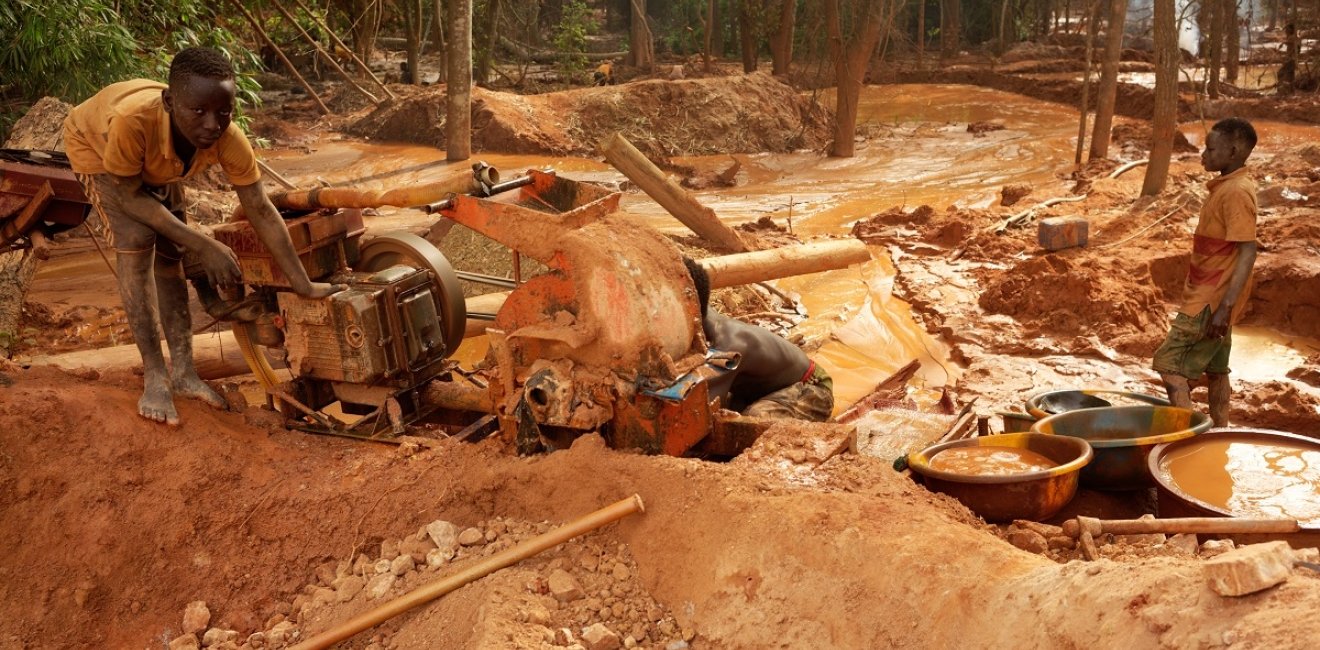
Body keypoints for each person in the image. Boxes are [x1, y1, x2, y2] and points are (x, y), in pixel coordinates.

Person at [64, 47, 342, 426]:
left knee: (171, 255)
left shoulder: (228, 139)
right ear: (169, 101)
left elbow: (260, 208)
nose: (213, 124)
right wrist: (204, 243)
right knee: (138, 243)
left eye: (223, 113)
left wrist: (302, 284)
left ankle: (184, 372)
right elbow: (130, 196)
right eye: (199, 112)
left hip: (160, 166)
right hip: (98, 149)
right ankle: (156, 376)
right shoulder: (133, 122)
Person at [1152, 117, 1259, 427]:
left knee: (1169, 365)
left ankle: (1187, 442)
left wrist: (1224, 308)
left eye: (1211, 149)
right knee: (1216, 369)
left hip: (1209, 301)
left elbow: (1248, 251)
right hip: (1214, 297)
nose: (1204, 155)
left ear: (1234, 151)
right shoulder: (1226, 187)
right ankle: (1220, 431)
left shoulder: (1237, 192)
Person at [683, 257, 833, 422]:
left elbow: (702, 409)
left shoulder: (729, 345)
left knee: (751, 420)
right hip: (762, 392)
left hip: (811, 388)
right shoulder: (702, 318)